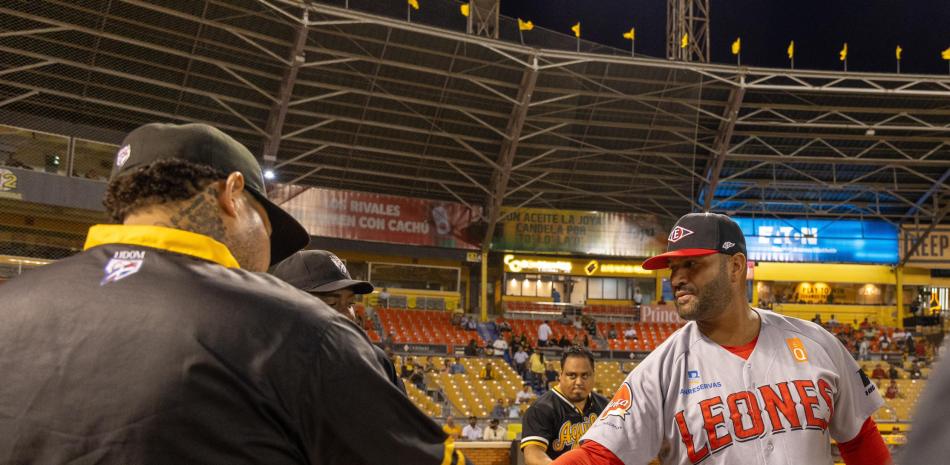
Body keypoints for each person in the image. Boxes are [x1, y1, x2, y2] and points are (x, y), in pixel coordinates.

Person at [0, 123, 468, 465]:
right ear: (232, 192)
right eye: (267, 226)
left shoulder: (10, 303)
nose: (266, 253)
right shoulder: (297, 330)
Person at [552, 213, 889, 465]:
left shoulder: (818, 344)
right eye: (673, 268)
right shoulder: (659, 372)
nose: (677, 279)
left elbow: (860, 439)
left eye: (693, 264)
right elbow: (596, 457)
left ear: (736, 266)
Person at [270, 249, 404, 392]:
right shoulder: (264, 373)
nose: (349, 315)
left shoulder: (377, 363)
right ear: (288, 309)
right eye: (332, 303)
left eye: (350, 303)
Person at [520, 346, 609, 465]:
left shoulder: (605, 406)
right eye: (572, 375)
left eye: (585, 375)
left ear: (593, 376)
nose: (578, 382)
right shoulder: (541, 408)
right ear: (560, 376)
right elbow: (533, 453)